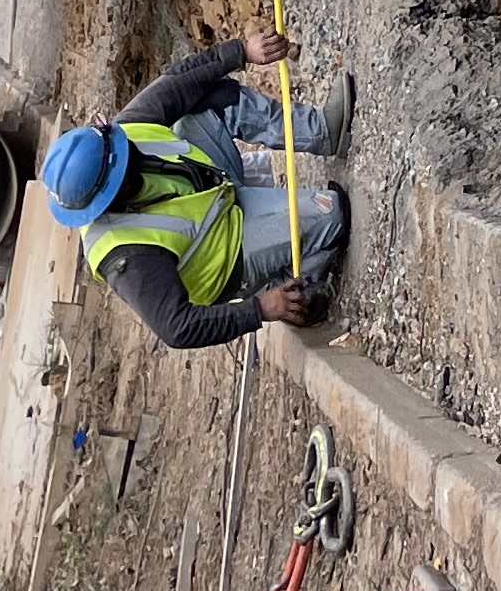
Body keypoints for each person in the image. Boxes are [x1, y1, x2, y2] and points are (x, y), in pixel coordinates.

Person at [41, 26, 349, 351]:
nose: (129, 156)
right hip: (228, 256)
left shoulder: (120, 138)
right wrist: (259, 310)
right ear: (107, 196)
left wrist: (243, 50)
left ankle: (323, 132)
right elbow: (177, 329)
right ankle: (296, 297)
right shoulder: (124, 254)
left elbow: (178, 81)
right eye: (122, 174)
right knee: (330, 214)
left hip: (216, 191)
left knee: (206, 98)